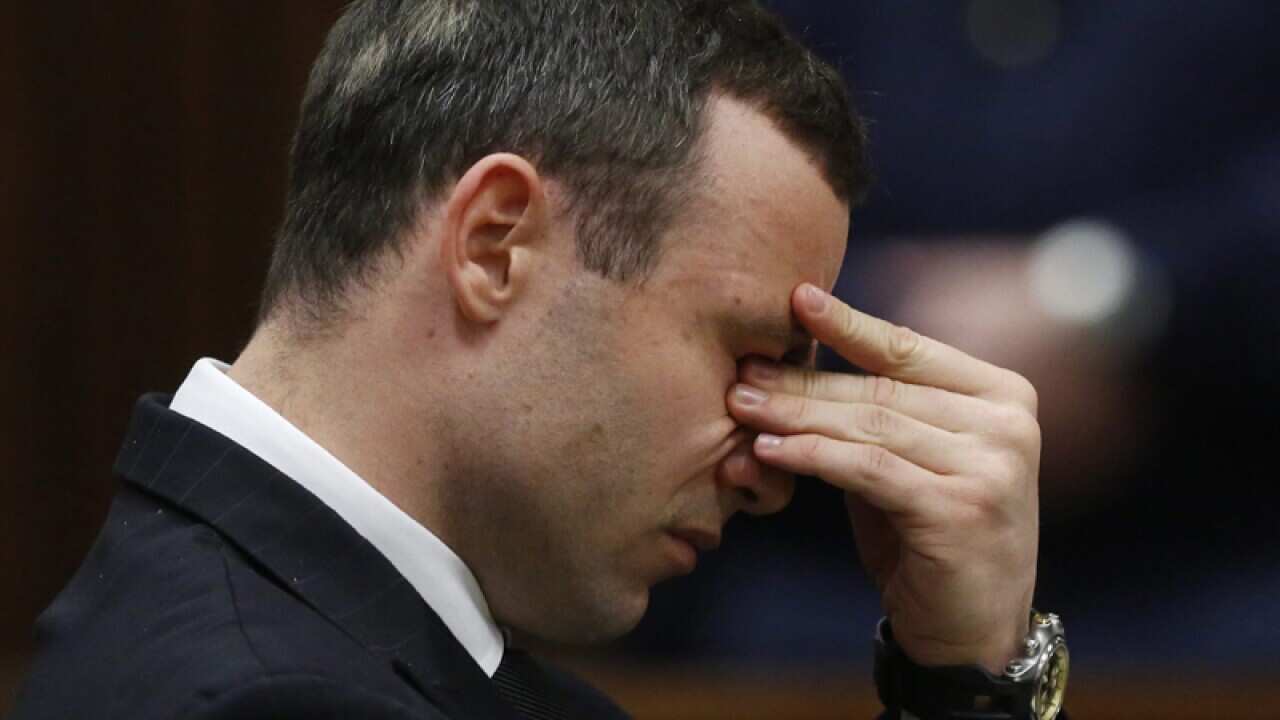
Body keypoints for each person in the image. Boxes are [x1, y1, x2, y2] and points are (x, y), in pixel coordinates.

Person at [10, 1, 1061, 718]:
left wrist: (959, 680)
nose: (771, 467)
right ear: (493, 243)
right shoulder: (274, 701)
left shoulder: (303, 635)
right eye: (746, 351)